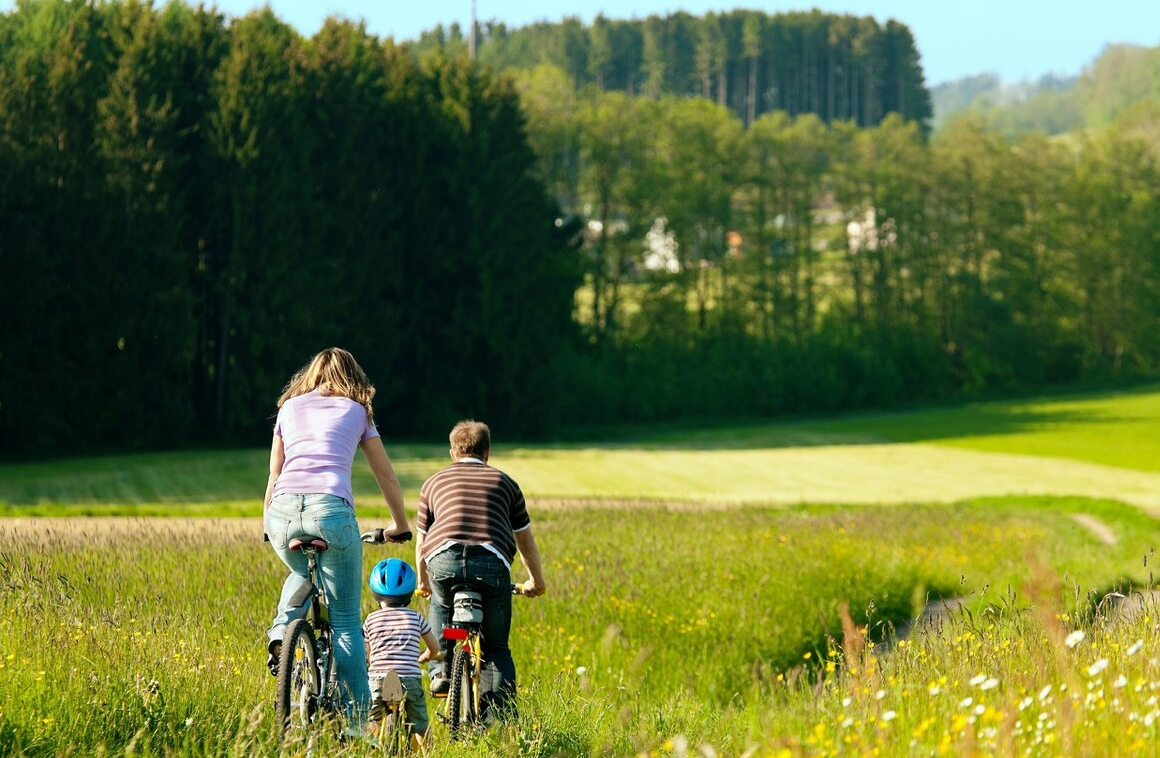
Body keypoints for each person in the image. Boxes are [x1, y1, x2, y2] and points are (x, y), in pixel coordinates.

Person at [263, 347, 410, 730]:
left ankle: (283, 629)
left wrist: (268, 524)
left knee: (301, 571)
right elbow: (386, 476)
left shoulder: (288, 407)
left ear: (310, 375)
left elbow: (274, 473)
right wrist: (400, 524)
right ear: (352, 376)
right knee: (345, 620)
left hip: (281, 512)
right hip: (331, 510)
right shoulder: (357, 410)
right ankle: (357, 724)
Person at [415, 419, 546, 722]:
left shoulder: (432, 483)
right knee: (496, 646)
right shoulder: (506, 483)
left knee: (442, 604)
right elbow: (524, 539)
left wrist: (422, 579)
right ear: (487, 453)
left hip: (442, 561)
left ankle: (442, 671)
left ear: (452, 452)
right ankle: (496, 719)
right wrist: (536, 581)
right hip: (491, 564)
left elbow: (422, 541)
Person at [364, 558, 441, 746]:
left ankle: (368, 749)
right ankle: (430, 753)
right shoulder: (416, 617)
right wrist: (424, 657)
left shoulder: (370, 619)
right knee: (421, 725)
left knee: (371, 721)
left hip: (378, 679)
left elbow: (365, 654)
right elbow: (434, 648)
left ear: (375, 594)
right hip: (409, 679)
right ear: (408, 594)